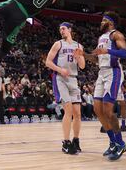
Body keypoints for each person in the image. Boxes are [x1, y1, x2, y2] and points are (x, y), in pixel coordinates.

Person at [76, 11, 126, 161]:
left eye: (104, 20)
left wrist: (108, 50)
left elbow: (125, 54)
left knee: (107, 108)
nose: (101, 22)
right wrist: (83, 54)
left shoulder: (116, 35)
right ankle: (112, 142)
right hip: (102, 73)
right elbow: (96, 59)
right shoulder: (101, 38)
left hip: (114, 72)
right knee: (97, 109)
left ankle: (121, 143)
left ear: (111, 22)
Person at [45, 22, 85, 154]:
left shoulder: (79, 46)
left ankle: (76, 140)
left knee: (77, 113)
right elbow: (48, 62)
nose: (61, 31)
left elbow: (83, 66)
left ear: (69, 30)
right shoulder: (58, 44)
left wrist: (78, 56)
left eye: (63, 29)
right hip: (60, 79)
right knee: (68, 110)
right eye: (60, 29)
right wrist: (60, 69)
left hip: (73, 79)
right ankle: (66, 142)